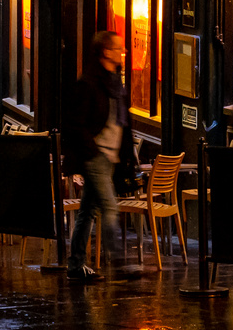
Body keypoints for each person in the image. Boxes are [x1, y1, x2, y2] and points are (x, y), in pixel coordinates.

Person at [62, 30, 134, 282]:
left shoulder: (115, 82)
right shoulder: (89, 83)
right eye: (118, 48)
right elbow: (75, 123)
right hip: (97, 156)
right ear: (106, 52)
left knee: (88, 211)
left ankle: (75, 264)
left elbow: (123, 121)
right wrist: (92, 151)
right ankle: (120, 263)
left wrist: (125, 156)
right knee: (110, 207)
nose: (122, 52)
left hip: (111, 156)